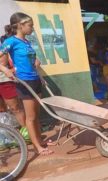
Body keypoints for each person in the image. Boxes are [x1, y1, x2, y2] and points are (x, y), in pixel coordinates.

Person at [0, 12, 54, 155]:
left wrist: (36, 65)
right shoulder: (11, 41)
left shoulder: (26, 42)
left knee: (36, 115)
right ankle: (37, 147)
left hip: (35, 79)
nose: (32, 28)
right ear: (20, 26)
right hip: (24, 82)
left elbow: (29, 61)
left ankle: (40, 140)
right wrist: (6, 69)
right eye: (30, 25)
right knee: (30, 117)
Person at [0, 25, 26, 127]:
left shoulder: (6, 44)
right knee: (2, 110)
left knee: (15, 108)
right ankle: (6, 135)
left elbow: (7, 62)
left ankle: (28, 132)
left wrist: (11, 70)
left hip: (4, 81)